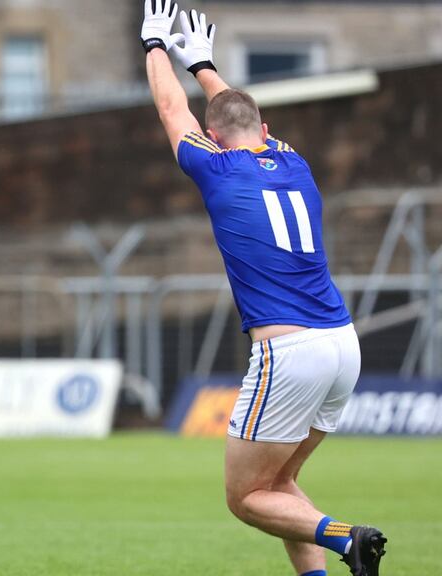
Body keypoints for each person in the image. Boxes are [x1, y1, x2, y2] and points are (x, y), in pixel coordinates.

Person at [140, 2, 387, 575]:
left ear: (213, 140)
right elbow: (236, 112)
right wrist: (203, 62)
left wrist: (155, 46)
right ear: (267, 133)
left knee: (246, 498)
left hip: (290, 352)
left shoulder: (217, 168)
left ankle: (348, 537)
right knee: (280, 483)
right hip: (342, 345)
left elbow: (170, 106)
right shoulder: (295, 161)